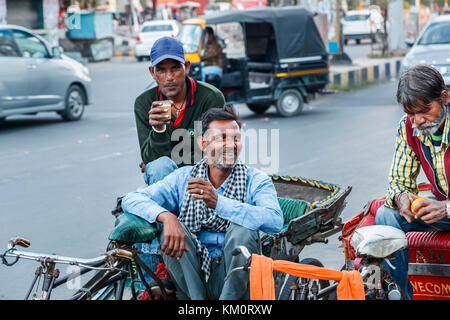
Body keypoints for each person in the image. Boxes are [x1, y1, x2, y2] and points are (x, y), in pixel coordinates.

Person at [122, 106, 283, 300]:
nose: (230, 145)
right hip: (192, 274)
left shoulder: (256, 180)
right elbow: (132, 199)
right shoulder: (184, 178)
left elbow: (274, 221)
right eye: (221, 138)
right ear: (203, 143)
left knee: (244, 229)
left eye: (235, 138)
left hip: (236, 274)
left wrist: (219, 203)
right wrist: (167, 217)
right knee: (169, 229)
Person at [132, 36, 225, 279]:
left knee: (166, 165)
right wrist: (160, 130)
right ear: (152, 72)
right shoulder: (145, 103)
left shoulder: (210, 97)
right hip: (168, 182)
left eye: (175, 68)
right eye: (161, 70)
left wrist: (182, 153)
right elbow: (151, 160)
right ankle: (171, 230)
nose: (169, 77)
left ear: (187, 68)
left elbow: (216, 151)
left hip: (202, 180)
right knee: (160, 166)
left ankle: (180, 234)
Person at [375, 64, 450, 300]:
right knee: (386, 216)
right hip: (442, 214)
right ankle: (402, 296)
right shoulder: (408, 128)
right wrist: (402, 198)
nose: (418, 120)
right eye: (410, 113)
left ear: (445, 97)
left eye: (425, 110)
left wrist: (446, 207)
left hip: (446, 210)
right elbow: (398, 181)